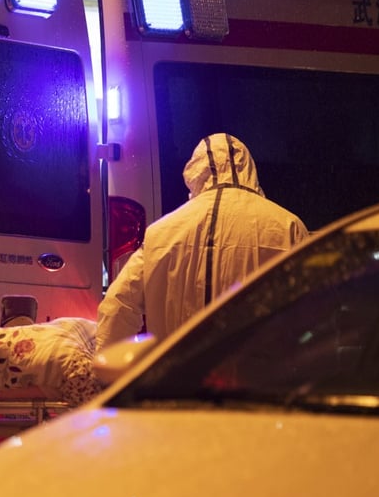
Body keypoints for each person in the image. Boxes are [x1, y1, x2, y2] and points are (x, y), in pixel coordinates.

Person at [96, 132, 308, 351]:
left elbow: (118, 306)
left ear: (195, 172)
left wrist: (113, 375)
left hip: (178, 378)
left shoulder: (161, 233)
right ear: (250, 169)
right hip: (260, 379)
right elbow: (313, 309)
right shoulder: (287, 227)